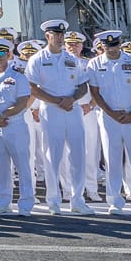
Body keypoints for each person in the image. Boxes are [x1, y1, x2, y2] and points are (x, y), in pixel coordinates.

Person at [26, 20, 91, 214]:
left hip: (73, 109)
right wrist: (56, 100)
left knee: (78, 154)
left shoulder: (73, 60)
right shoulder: (37, 59)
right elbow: (32, 87)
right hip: (51, 110)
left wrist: (71, 99)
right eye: (57, 34)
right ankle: (53, 200)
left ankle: (77, 200)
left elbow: (83, 86)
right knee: (52, 156)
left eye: (62, 34)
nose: (61, 38)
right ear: (48, 36)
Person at [85, 31, 131, 214]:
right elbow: (95, 93)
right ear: (102, 47)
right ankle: (115, 201)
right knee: (112, 160)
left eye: (114, 45)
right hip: (108, 118)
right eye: (107, 46)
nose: (112, 49)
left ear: (119, 44)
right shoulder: (94, 64)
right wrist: (111, 113)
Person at [0, 40, 35, 214]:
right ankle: (3, 201)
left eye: (1, 53)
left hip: (14, 124)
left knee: (22, 166)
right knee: (0, 166)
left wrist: (3, 115)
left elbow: (23, 102)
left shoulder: (18, 76)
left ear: (9, 55)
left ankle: (25, 203)